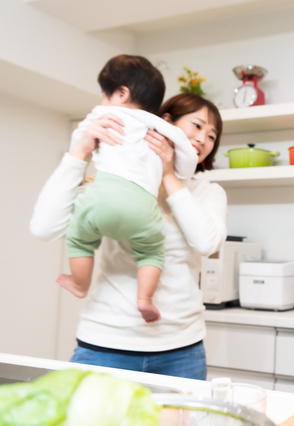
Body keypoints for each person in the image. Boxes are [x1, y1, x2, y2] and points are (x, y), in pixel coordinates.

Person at [30, 93, 227, 380]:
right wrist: (80, 151)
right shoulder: (112, 180)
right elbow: (44, 227)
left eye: (212, 136)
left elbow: (206, 243)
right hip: (105, 343)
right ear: (166, 122)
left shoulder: (208, 192)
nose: (203, 140)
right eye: (197, 126)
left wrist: (169, 175)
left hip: (182, 348)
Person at [57, 54, 198, 323]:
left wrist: (83, 147)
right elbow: (187, 151)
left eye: (104, 93)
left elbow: (79, 142)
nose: (102, 100)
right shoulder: (156, 124)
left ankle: (79, 284)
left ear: (121, 93)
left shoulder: (101, 116)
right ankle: (144, 299)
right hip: (142, 207)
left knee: (78, 240)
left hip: (100, 198)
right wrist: (180, 172)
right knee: (152, 253)